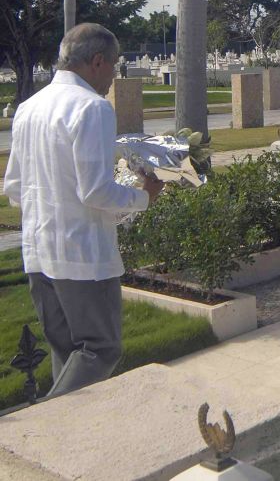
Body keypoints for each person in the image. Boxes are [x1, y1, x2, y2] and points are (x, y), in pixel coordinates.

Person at [3, 23, 164, 398]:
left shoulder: (29, 107)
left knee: (69, 351)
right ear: (96, 61)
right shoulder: (92, 108)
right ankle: (50, 420)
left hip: (39, 253)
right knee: (100, 349)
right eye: (114, 65)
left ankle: (66, 431)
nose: (113, 75)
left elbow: (14, 187)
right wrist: (143, 197)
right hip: (82, 256)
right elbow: (95, 191)